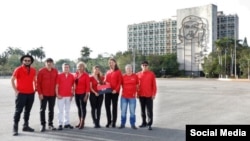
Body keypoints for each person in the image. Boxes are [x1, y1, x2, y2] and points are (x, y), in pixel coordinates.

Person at [11, 54, 36, 136]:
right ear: (22, 61)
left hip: (31, 93)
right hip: (21, 94)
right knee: (18, 111)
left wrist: (35, 89)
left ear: (31, 61)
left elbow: (35, 80)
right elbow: (12, 79)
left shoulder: (33, 70)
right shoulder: (18, 69)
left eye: (29, 60)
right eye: (25, 60)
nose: (27, 62)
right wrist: (15, 90)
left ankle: (25, 126)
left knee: (27, 111)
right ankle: (15, 128)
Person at [37, 58, 58, 132]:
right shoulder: (41, 71)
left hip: (52, 94)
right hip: (43, 94)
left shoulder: (55, 71)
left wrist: (57, 93)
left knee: (51, 110)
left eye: (50, 62)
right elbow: (38, 83)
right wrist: (40, 93)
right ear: (45, 63)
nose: (49, 64)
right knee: (42, 109)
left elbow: (57, 83)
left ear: (53, 63)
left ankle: (50, 124)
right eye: (47, 62)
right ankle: (42, 125)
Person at [137, 61, 157, 130]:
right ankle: (143, 123)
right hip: (141, 95)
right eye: (143, 65)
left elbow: (154, 85)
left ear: (148, 66)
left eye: (146, 65)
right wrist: (137, 94)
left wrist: (154, 94)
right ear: (141, 66)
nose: (144, 66)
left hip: (149, 95)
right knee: (142, 110)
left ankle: (149, 124)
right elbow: (136, 86)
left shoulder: (151, 74)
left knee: (149, 110)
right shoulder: (138, 74)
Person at [56, 63, 75, 130]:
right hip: (61, 95)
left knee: (67, 110)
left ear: (69, 68)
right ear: (62, 68)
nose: (66, 68)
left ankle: (66, 123)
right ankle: (60, 124)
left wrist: (72, 94)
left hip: (68, 95)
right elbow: (57, 86)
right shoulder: (59, 75)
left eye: (67, 67)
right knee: (60, 110)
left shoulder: (71, 76)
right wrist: (57, 94)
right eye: (65, 67)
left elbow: (73, 86)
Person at [119, 64, 138, 129]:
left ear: (132, 69)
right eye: (127, 68)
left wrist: (136, 93)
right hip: (124, 97)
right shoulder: (123, 76)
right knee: (123, 111)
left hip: (132, 97)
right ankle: (122, 124)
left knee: (132, 111)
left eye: (130, 68)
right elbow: (119, 84)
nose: (129, 70)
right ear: (125, 70)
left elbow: (137, 85)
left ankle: (133, 124)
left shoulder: (135, 76)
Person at [104, 58, 122, 128]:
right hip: (107, 91)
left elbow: (119, 82)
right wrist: (103, 82)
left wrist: (116, 90)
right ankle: (109, 121)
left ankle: (114, 122)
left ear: (115, 63)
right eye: (110, 62)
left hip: (115, 92)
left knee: (114, 107)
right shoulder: (108, 72)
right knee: (107, 106)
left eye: (112, 62)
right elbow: (105, 80)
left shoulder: (118, 71)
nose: (111, 63)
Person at [74, 61, 90, 129]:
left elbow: (88, 86)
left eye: (81, 66)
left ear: (83, 67)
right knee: (79, 108)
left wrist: (86, 95)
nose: (79, 68)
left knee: (83, 108)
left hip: (83, 93)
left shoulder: (86, 75)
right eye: (78, 67)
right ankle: (80, 121)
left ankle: (82, 122)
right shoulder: (76, 74)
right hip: (76, 93)